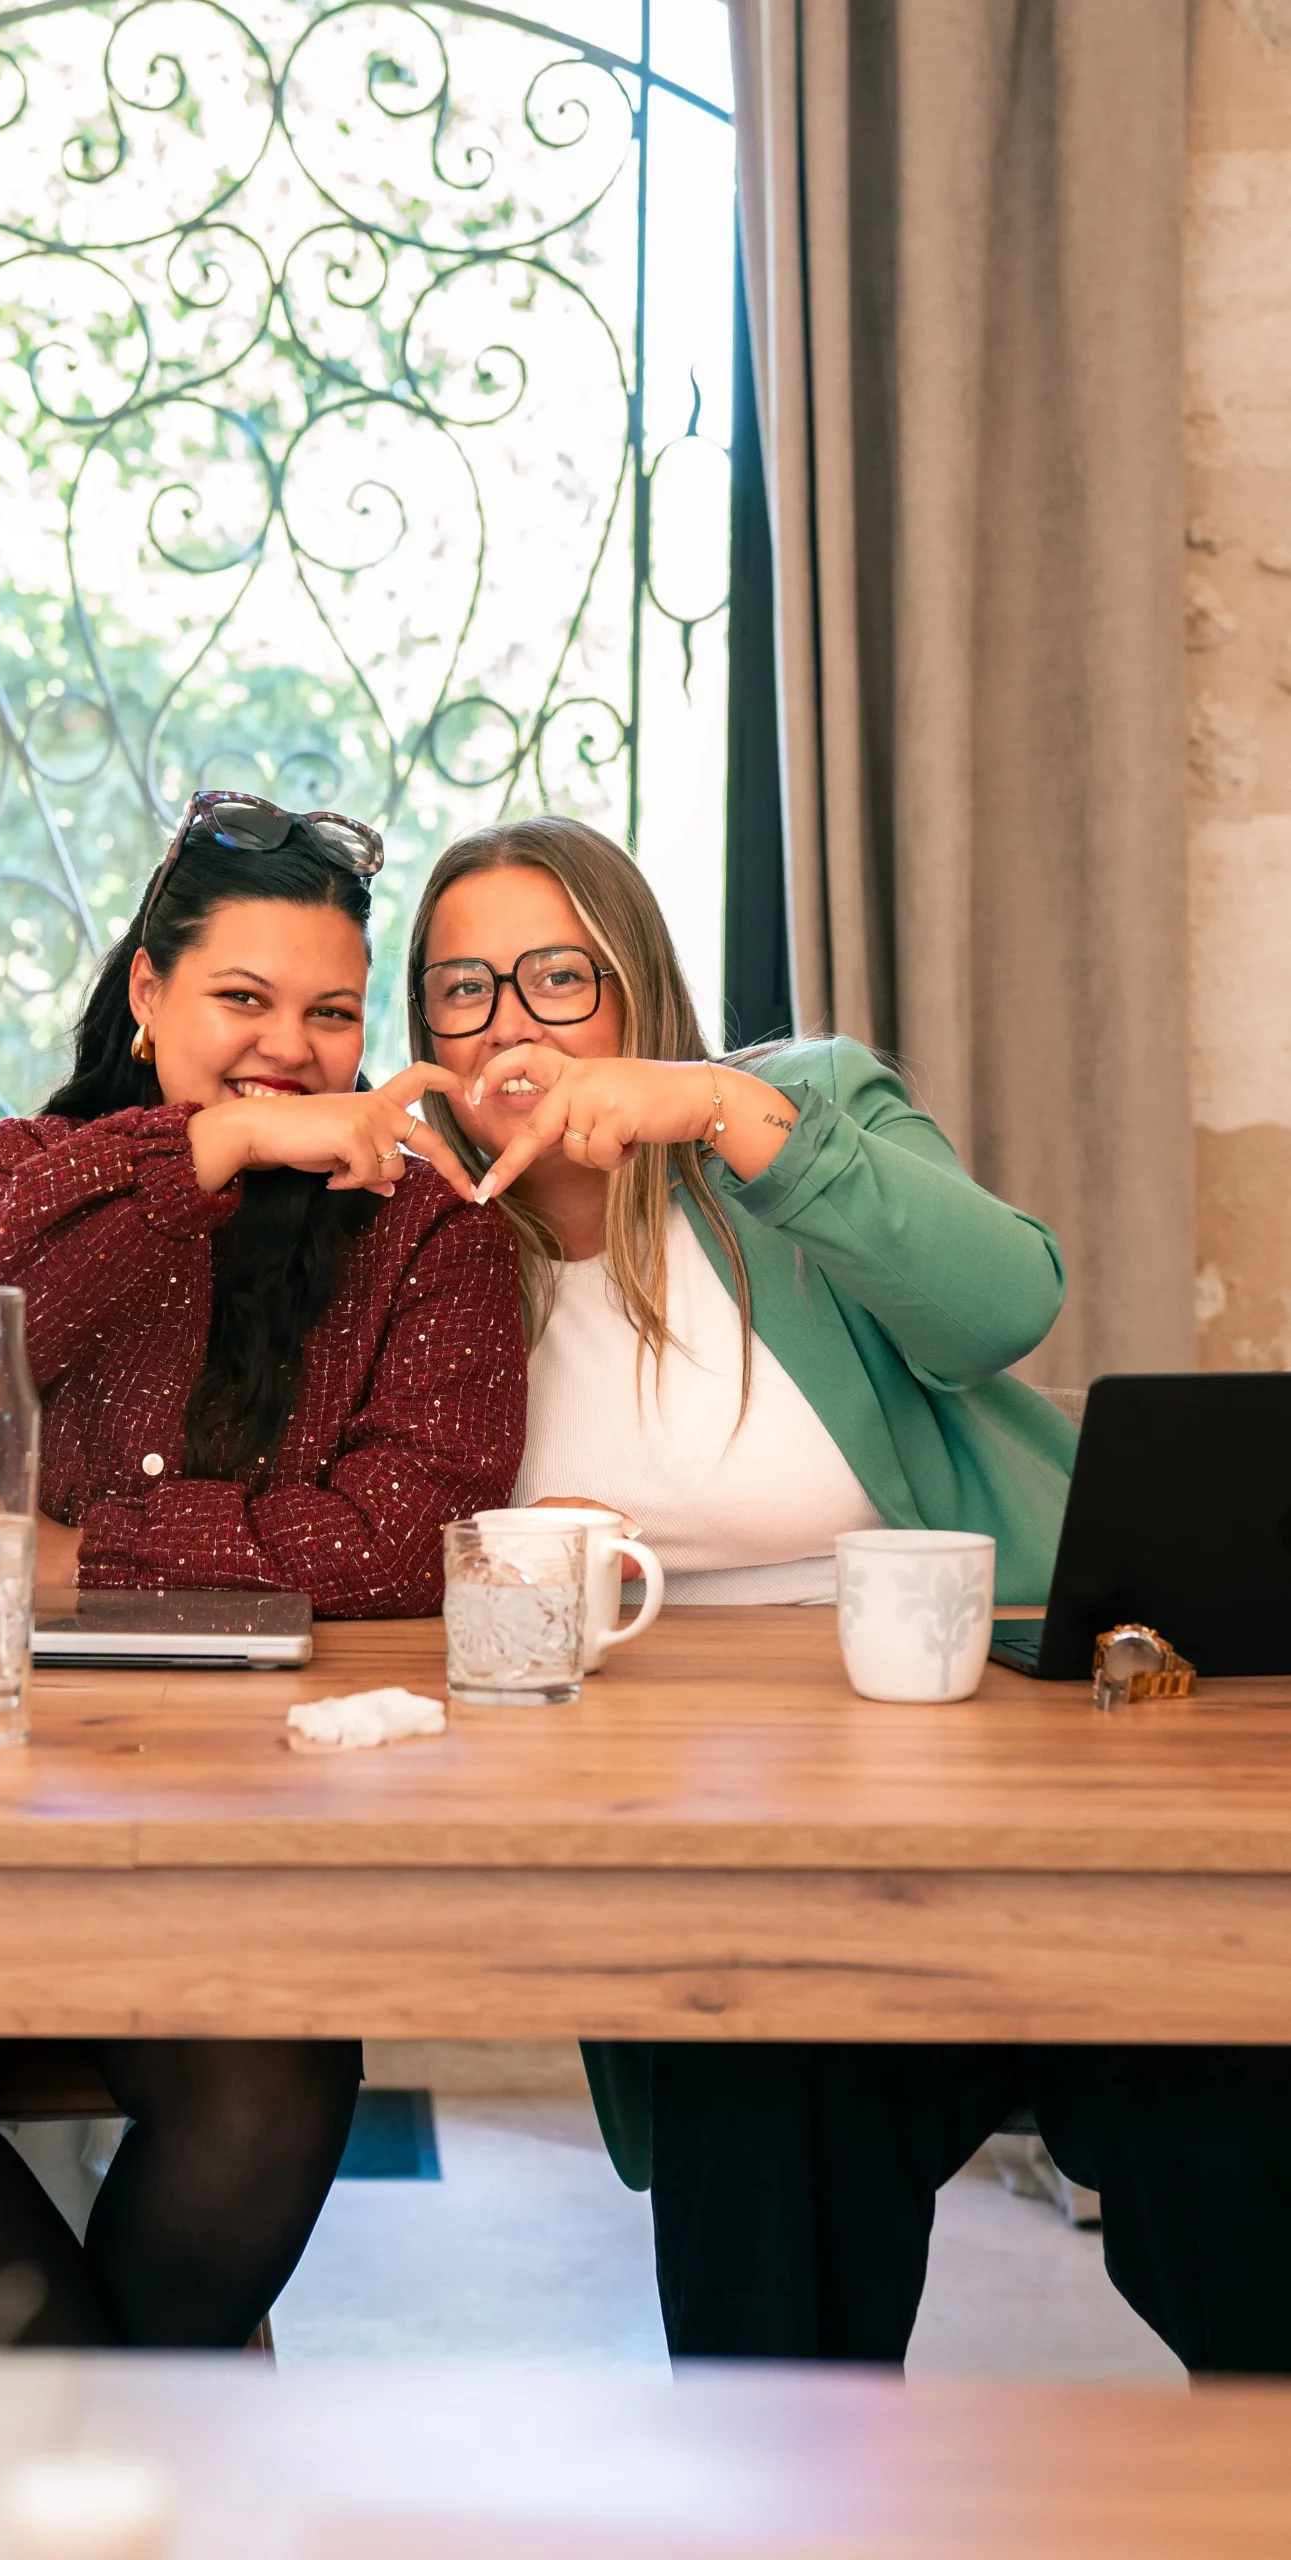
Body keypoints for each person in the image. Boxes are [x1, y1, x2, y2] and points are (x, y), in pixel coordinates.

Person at [406, 812, 1291, 2377]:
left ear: (636, 987)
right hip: (717, 1832)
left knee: (1221, 2103)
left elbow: (1003, 1303)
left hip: (1007, 1760)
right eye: (463, 988)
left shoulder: (788, 1112)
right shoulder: (417, 1241)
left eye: (559, 975)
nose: (513, 1025)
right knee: (757, 2150)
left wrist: (722, 1111)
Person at [0, 792, 526, 2348]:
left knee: (272, 2093)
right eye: (242, 1000)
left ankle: (78, 2450)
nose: (290, 1049)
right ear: (147, 991)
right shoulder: (23, 1169)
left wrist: (81, 1560)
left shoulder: (428, 1225)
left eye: (331, 1015)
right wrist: (214, 1144)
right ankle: (120, 2449)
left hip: (253, 1832)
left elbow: (404, 1535)